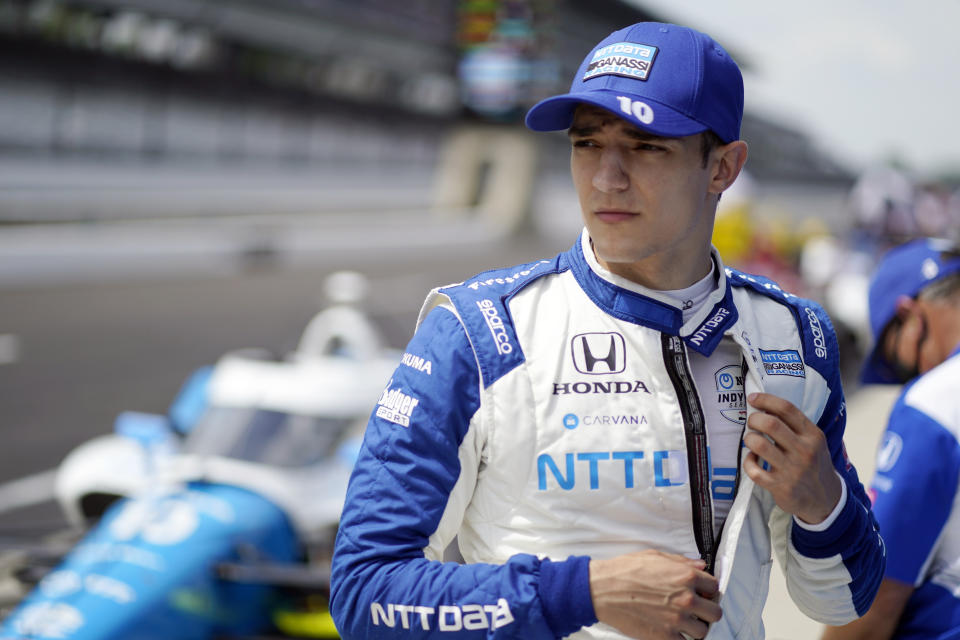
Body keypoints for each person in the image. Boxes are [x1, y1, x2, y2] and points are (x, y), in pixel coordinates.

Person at [330, 22, 884, 640]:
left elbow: (843, 601)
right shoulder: (479, 333)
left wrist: (822, 504)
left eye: (647, 146)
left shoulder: (793, 339)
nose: (606, 179)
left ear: (723, 168)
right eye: (587, 144)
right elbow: (364, 595)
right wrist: (586, 593)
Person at [822, 238, 960, 640]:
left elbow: (875, 594)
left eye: (896, 363)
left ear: (910, 316)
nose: (907, 380)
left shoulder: (936, 400)